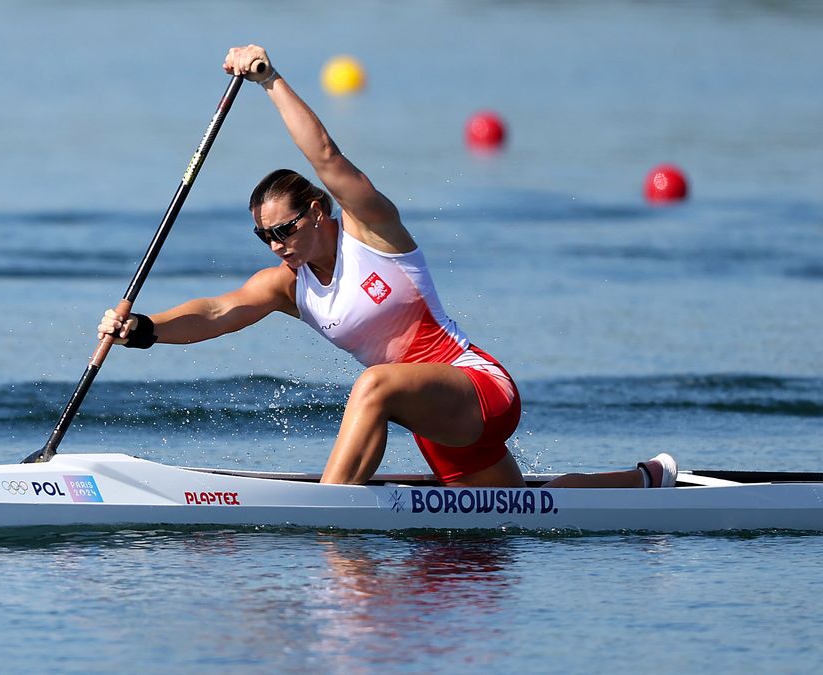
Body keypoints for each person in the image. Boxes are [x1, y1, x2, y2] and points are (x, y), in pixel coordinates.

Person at [99, 44, 677, 489]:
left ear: (318, 211)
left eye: (284, 229)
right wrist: (145, 329)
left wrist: (269, 81)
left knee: (371, 385)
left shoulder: (373, 230)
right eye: (263, 235)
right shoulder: (288, 285)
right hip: (430, 420)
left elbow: (326, 154)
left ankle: (327, 510)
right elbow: (216, 312)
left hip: (477, 390)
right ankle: (646, 480)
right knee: (524, 505)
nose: (275, 244)